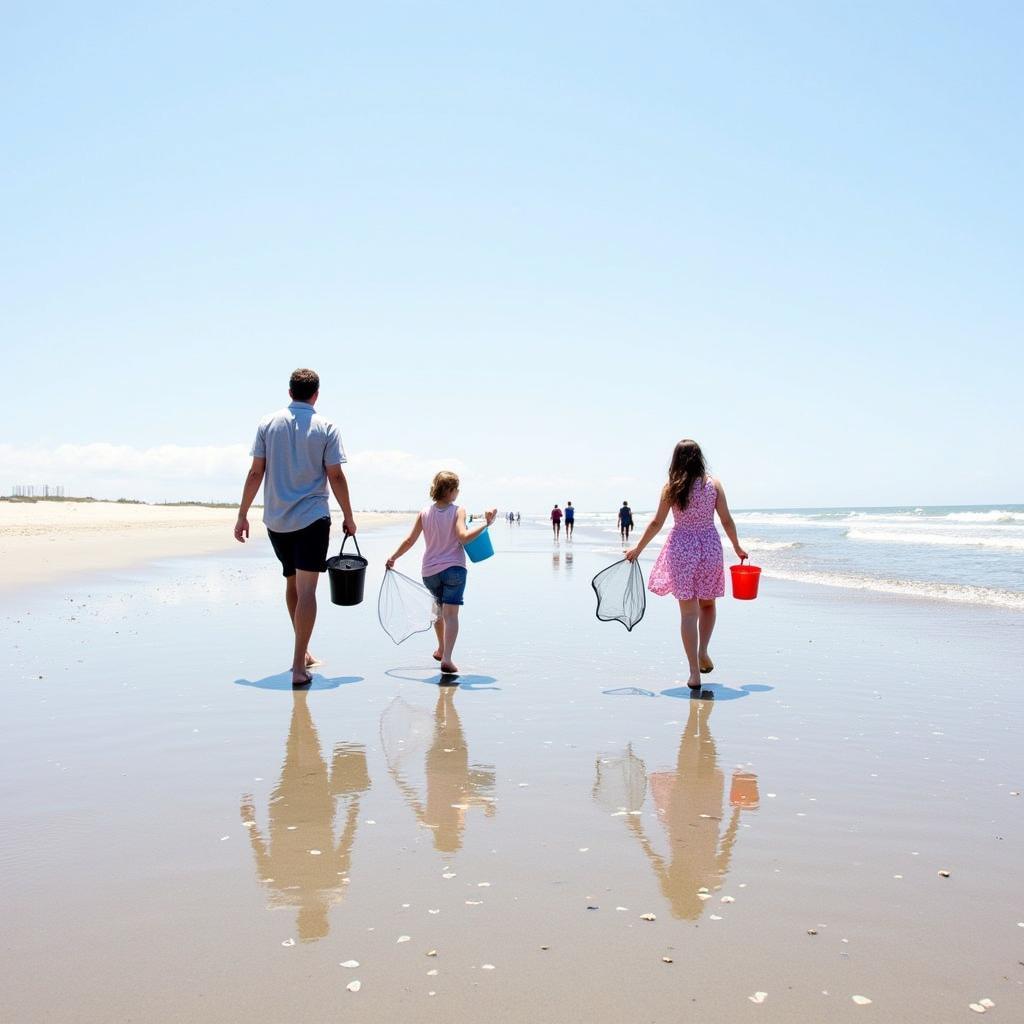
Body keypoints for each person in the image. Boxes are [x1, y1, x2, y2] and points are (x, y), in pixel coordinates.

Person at [235, 368, 356, 686]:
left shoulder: (268, 423)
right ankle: (299, 666)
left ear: (290, 392)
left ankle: (303, 654)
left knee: (292, 585)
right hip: (312, 518)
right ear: (316, 394)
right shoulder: (326, 427)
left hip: (277, 520)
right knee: (307, 591)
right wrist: (349, 515)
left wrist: (242, 514)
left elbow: (254, 473)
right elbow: (336, 476)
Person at [625, 440, 747, 690]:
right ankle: (703, 650)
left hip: (681, 549)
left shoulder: (671, 487)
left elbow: (657, 523)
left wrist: (637, 549)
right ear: (700, 458)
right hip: (709, 549)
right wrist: (736, 546)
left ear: (676, 460)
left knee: (688, 613)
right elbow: (726, 520)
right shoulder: (713, 485)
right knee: (709, 604)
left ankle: (694, 673)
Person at [386, 471, 496, 675]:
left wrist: (393, 557)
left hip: (429, 571)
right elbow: (462, 537)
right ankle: (447, 658)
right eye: (457, 489)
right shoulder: (458, 510)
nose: (458, 493)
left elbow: (410, 540)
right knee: (451, 614)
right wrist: (485, 525)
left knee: (438, 612)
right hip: (453, 568)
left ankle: (441, 647)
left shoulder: (424, 512)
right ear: (451, 490)